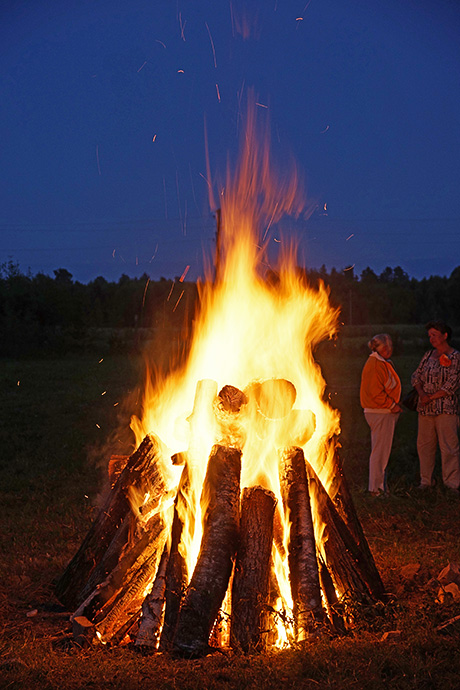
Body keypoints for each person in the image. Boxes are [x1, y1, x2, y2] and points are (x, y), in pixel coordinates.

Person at [411, 320, 460, 493]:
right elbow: (416, 376)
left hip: (445, 408)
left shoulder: (455, 357)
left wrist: (431, 396)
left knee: (449, 446)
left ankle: (452, 483)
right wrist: (422, 395)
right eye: (429, 335)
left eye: (434, 335)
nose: (431, 338)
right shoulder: (428, 355)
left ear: (445, 336)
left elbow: (452, 384)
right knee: (424, 445)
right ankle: (426, 480)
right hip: (425, 409)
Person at [360, 334, 402, 496]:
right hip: (379, 412)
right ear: (375, 348)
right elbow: (374, 392)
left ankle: (380, 486)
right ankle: (376, 489)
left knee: (381, 450)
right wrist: (392, 405)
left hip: (382, 411)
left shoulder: (381, 363)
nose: (388, 350)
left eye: (390, 346)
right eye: (385, 347)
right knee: (380, 451)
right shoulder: (375, 364)